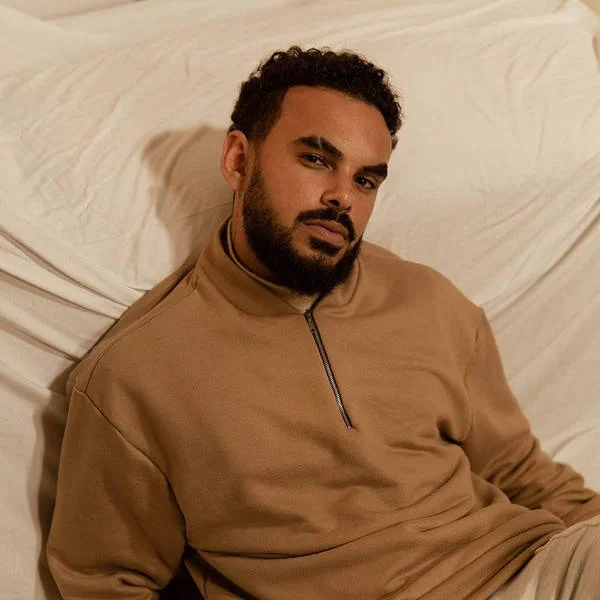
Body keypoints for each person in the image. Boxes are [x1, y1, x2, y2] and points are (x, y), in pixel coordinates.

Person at [47, 46, 600, 600]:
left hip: (531, 567)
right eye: (315, 159)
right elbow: (106, 582)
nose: (342, 197)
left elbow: (521, 472)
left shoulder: (429, 300)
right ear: (238, 160)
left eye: (366, 180)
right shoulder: (136, 375)